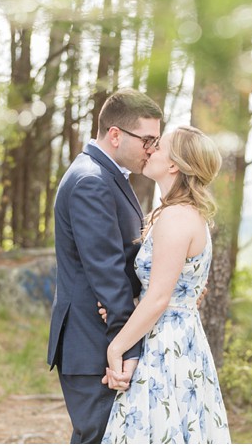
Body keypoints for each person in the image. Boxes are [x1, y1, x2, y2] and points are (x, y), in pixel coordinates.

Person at [100, 125, 231, 444]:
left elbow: (159, 298)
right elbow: (171, 291)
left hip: (167, 348)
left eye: (158, 146)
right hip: (171, 335)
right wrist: (130, 307)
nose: (149, 150)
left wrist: (116, 347)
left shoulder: (177, 218)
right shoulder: (177, 214)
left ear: (174, 164)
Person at [47, 88, 163, 444]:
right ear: (115, 134)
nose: (152, 150)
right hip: (93, 343)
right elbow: (108, 274)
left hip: (102, 339)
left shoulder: (108, 176)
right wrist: (126, 349)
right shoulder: (91, 182)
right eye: (147, 140)